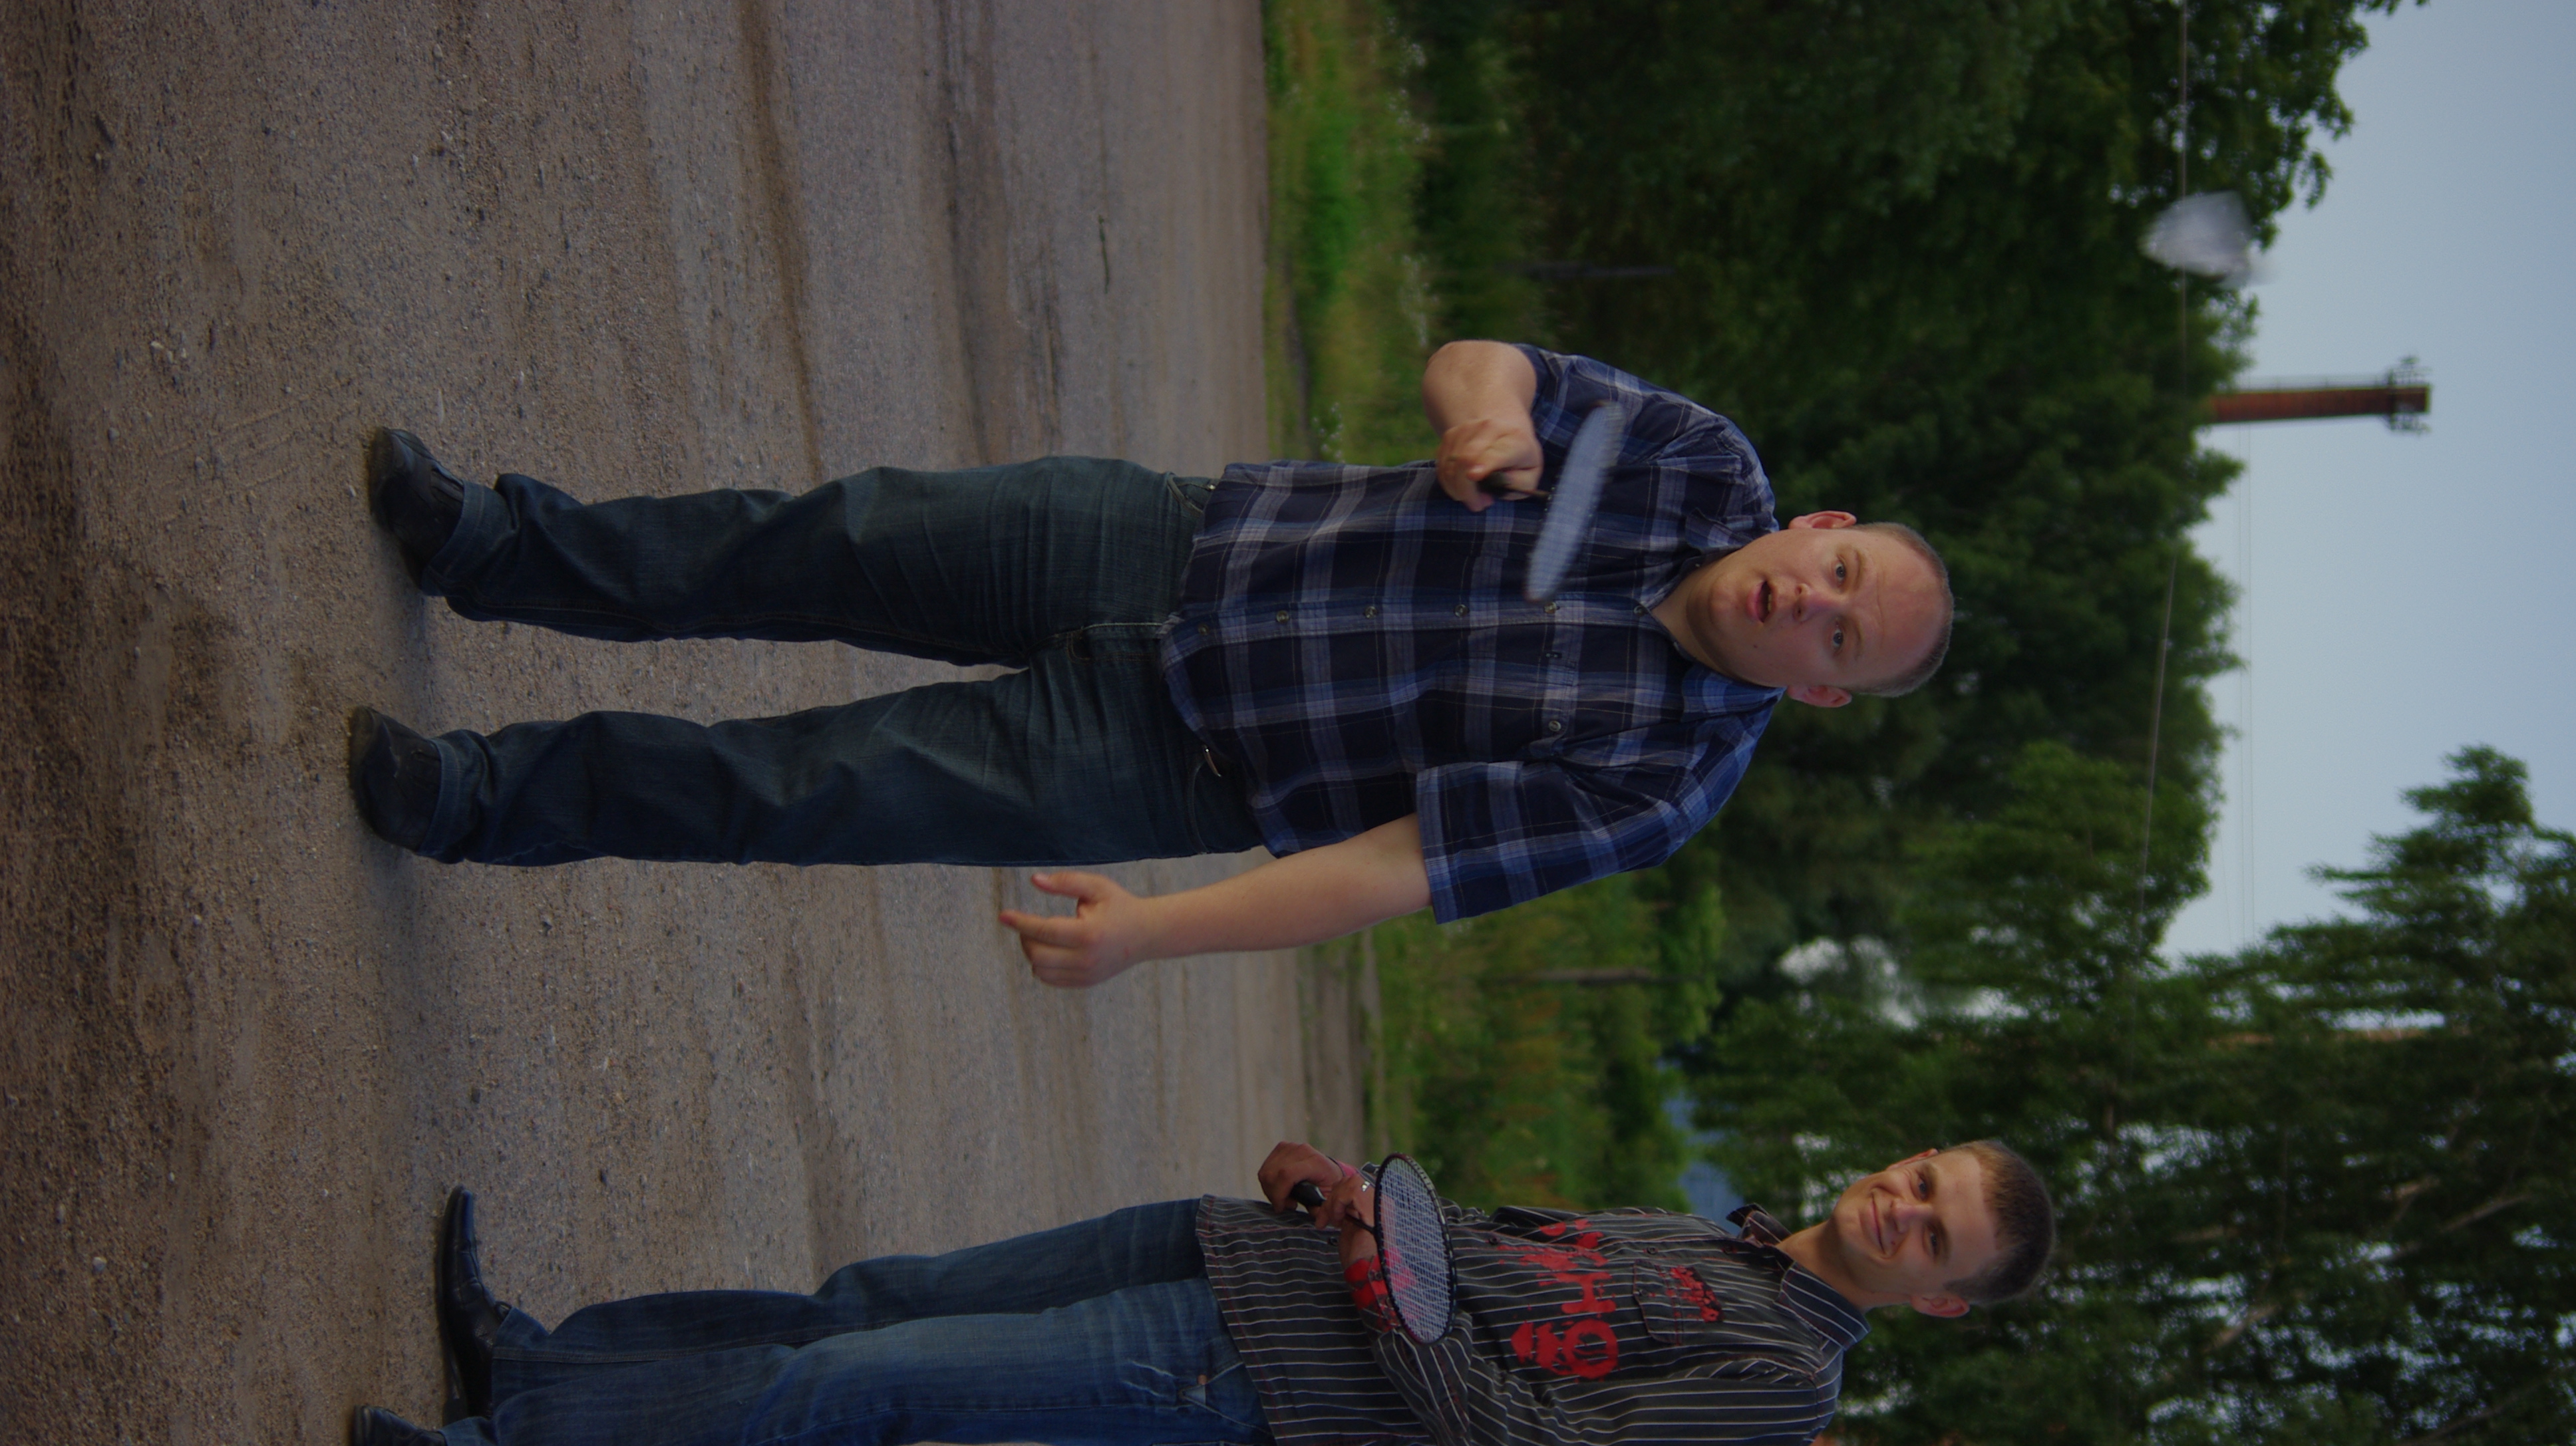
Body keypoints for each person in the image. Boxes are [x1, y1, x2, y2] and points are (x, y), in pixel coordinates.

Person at [347, 342, 1953, 988]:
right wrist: (1488, 413)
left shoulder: (1666, 781)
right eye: (1837, 571)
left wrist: (1154, 934)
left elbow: (1396, 868)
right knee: (809, 541)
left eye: (1838, 636)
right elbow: (1493, 362)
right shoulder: (1696, 467)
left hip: (1163, 761)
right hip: (1164, 538)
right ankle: (488, 545)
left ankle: (475, 799)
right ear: (1820, 524)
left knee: (801, 787)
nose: (1806, 601)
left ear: (1821, 689)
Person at [352, 1138, 2052, 1446]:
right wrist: (1350, 1196)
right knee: (867, 1305)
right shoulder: (1724, 1237)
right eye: (1924, 1178)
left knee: (871, 1386)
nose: (1903, 1207)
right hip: (1241, 1258)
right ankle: (544, 1371)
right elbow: (1479, 1270)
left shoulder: (1782, 1390)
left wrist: (1378, 1282)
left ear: (1941, 1300)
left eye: (1938, 1234)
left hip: (1255, 1376)